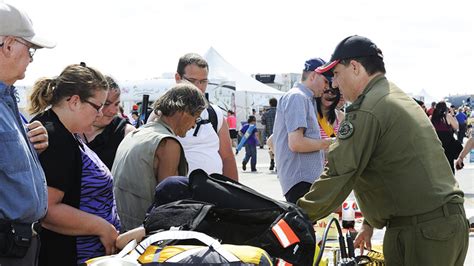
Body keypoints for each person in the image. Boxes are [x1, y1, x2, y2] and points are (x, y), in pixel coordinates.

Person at [297, 35, 468, 265]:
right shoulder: (393, 96)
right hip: (441, 226)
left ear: (355, 68)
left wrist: (297, 216)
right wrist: (368, 224)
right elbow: (394, 167)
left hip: (422, 232)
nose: (334, 84)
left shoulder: (368, 108)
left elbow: (339, 172)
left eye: (336, 74)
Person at [29, 63, 120, 265]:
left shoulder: (65, 132)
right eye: (98, 107)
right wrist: (101, 227)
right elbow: (47, 210)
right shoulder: (53, 137)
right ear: (75, 101)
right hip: (65, 254)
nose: (100, 114)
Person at [0, 3, 55, 265]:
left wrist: (33, 151)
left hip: (19, 245)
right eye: (30, 49)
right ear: (8, 45)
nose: (31, 58)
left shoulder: (8, 101)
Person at [112, 83, 207, 231]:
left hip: (118, 227)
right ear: (184, 112)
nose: (194, 125)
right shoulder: (167, 144)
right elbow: (168, 204)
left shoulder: (134, 134)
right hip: (140, 235)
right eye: (196, 117)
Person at [272, 57, 333, 203]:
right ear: (313, 76)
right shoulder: (298, 97)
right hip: (301, 181)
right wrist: (330, 142)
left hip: (302, 180)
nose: (327, 87)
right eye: (325, 81)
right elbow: (296, 143)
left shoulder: (303, 98)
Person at [174, 53, 238, 180]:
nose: (198, 87)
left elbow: (228, 158)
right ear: (178, 78)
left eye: (203, 81)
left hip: (213, 192)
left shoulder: (215, 113)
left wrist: (234, 193)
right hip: (179, 195)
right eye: (191, 81)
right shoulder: (162, 114)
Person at [80, 75, 135, 170]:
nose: (113, 111)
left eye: (117, 104)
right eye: (106, 104)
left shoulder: (127, 133)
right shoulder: (72, 128)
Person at [431, 101, 460, 173]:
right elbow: (456, 127)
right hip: (449, 144)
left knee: (438, 167)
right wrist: (453, 115)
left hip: (437, 144)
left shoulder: (431, 117)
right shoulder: (448, 116)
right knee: (450, 166)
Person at [261, 98, 277, 170]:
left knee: (271, 148)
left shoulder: (266, 113)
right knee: (279, 149)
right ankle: (278, 163)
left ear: (270, 104)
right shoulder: (280, 112)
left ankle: (272, 161)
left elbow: (263, 123)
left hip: (270, 133)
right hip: (279, 133)